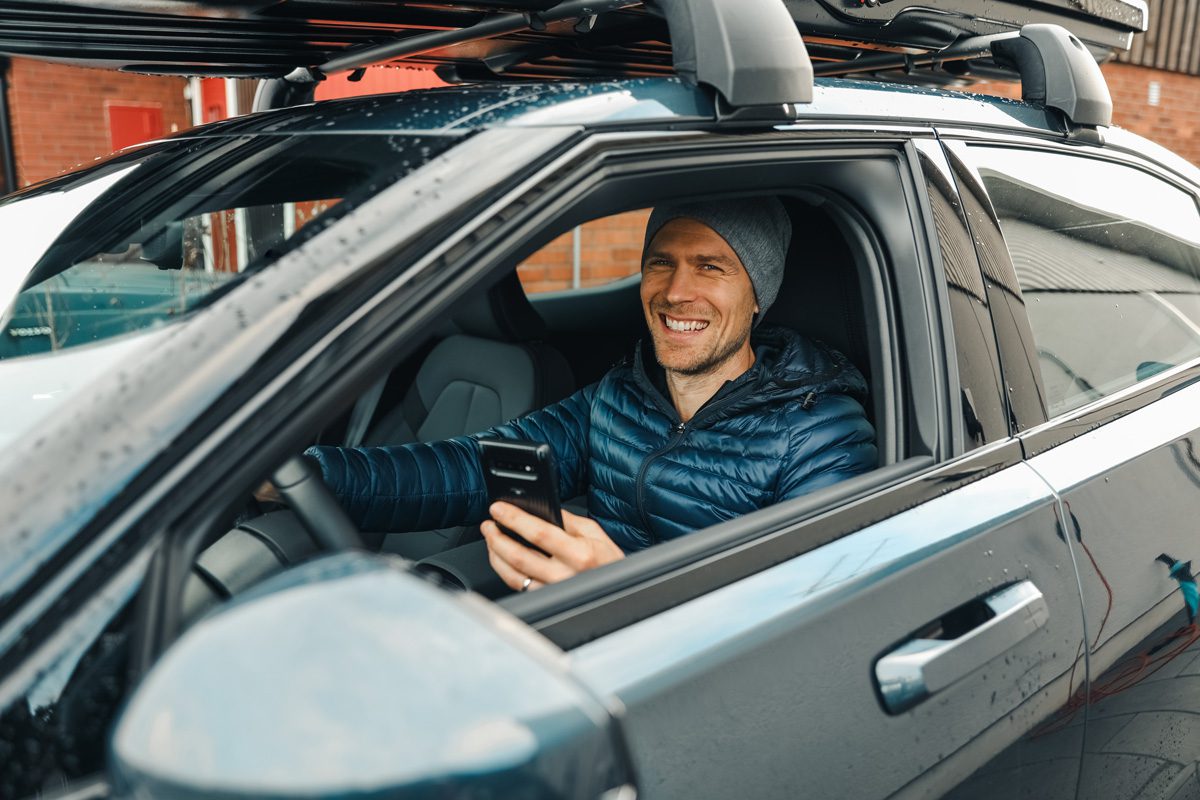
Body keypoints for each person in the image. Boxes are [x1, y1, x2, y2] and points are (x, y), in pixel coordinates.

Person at [306, 198, 877, 591]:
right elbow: (472, 468)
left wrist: (620, 586)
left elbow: (804, 621)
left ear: (758, 295)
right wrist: (309, 476)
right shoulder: (621, 393)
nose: (677, 291)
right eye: (661, 263)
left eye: (711, 267)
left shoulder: (821, 432)